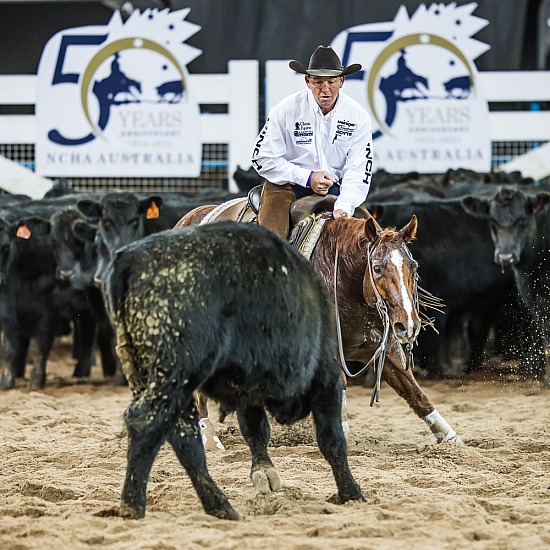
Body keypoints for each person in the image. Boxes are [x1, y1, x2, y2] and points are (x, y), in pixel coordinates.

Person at [251, 45, 373, 238]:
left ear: (342, 81)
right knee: (271, 242)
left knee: (375, 240)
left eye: (331, 82)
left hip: (335, 186)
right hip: (285, 185)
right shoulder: (286, 110)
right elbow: (261, 157)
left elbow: (359, 169)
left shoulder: (357, 116)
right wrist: (307, 177)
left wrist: (345, 204)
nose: (325, 90)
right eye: (318, 82)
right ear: (307, 81)